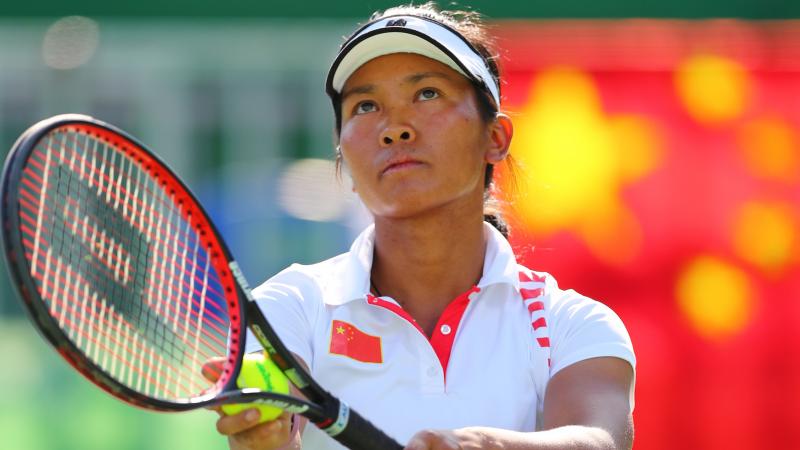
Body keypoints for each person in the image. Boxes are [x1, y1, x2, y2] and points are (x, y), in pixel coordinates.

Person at [210, 3, 636, 449]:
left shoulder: (573, 323)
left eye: (427, 94)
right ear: (344, 160)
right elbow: (275, 418)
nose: (394, 128)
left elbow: (597, 440)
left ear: (495, 138)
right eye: (366, 105)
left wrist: (483, 445)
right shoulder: (293, 303)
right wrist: (267, 437)